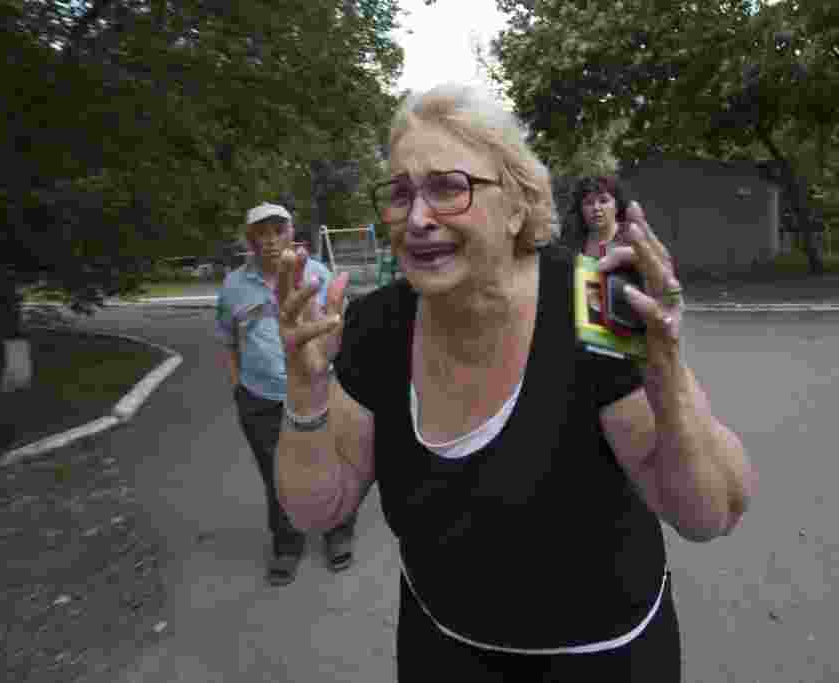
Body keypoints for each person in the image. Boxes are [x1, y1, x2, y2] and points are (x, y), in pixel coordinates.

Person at [273, 84, 757, 680]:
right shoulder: (378, 325)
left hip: (602, 659)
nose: (418, 218)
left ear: (517, 205)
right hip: (441, 647)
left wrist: (667, 373)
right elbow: (319, 510)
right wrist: (305, 389)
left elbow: (709, 514)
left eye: (449, 187)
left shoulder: (593, 302)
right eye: (401, 194)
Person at [215, 202, 358, 586]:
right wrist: (237, 386)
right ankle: (287, 546)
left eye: (279, 230)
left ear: (292, 233)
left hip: (318, 391)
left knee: (331, 463)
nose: (271, 240)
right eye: (261, 233)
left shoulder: (316, 274)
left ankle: (337, 532)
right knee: (276, 474)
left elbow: (338, 327)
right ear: (250, 241)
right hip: (261, 398)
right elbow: (228, 341)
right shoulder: (233, 287)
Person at [564, 174, 631, 257]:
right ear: (580, 209)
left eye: (603, 201)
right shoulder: (572, 242)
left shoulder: (632, 236)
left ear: (617, 205)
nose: (596, 208)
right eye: (589, 203)